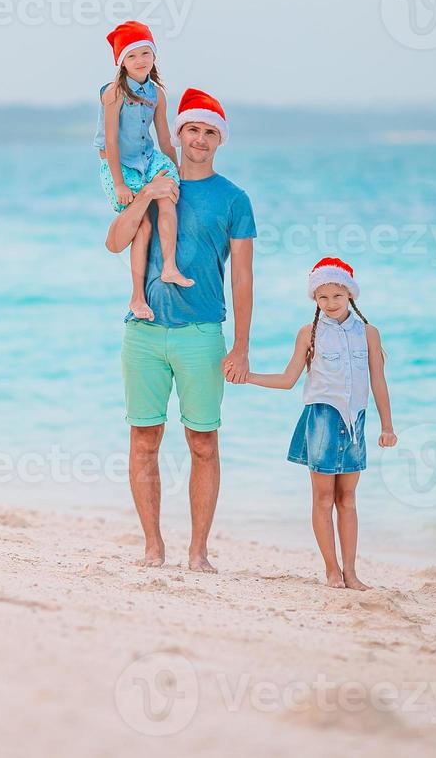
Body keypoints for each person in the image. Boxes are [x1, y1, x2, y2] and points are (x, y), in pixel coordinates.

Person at [104, 89, 255, 572]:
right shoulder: (154, 181)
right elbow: (114, 242)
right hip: (145, 331)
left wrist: (242, 347)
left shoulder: (234, 199)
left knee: (203, 442)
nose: (200, 139)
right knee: (143, 438)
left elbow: (244, 277)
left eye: (210, 132)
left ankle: (198, 552)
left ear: (219, 141)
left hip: (201, 333)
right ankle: (153, 547)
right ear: (178, 133)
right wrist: (147, 194)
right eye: (192, 129)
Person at [244, 258, 398, 590]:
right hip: (322, 421)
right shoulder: (309, 333)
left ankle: (351, 572)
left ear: (350, 295)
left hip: (355, 421)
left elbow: (378, 382)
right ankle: (331, 571)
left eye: (337, 297)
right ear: (315, 298)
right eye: (323, 297)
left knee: (349, 498)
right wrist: (249, 377)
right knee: (323, 498)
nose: (330, 304)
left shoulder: (368, 333)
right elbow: (288, 380)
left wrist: (387, 425)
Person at [93, 20, 190, 322]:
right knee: (143, 225)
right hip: (118, 163)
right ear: (122, 63)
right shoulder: (114, 92)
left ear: (154, 56)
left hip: (147, 158)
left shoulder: (157, 93)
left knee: (168, 197)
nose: (140, 61)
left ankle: (169, 267)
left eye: (145, 53)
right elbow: (110, 142)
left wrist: (176, 170)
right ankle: (137, 297)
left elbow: (163, 137)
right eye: (132, 56)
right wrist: (121, 184)